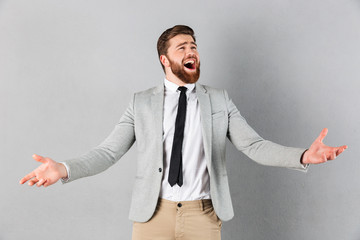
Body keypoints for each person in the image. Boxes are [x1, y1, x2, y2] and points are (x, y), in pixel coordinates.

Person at [20, 25, 347, 240]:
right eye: (182, 48)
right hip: (152, 216)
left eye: (193, 46)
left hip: (202, 215)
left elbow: (254, 145)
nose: (191, 52)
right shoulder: (141, 103)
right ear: (165, 59)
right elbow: (108, 152)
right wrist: (63, 168)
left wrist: (302, 155)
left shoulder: (219, 100)